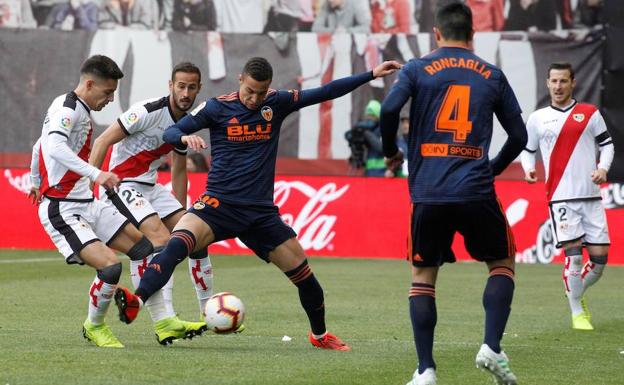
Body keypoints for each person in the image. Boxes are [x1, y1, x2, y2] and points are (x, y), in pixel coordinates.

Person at [113, 56, 401, 351]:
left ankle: (320, 335)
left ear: (268, 89)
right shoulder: (216, 107)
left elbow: (326, 91)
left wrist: (370, 74)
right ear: (240, 79)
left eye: (260, 93)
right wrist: (185, 137)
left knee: (306, 279)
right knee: (177, 243)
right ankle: (137, 300)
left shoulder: (277, 102)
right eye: (250, 91)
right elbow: (171, 132)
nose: (254, 99)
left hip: (260, 214)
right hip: (217, 204)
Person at [379, 3, 527, 385]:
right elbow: (520, 138)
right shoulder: (492, 74)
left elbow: (389, 109)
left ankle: (426, 370)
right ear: (472, 34)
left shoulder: (416, 68)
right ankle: (492, 345)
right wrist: (490, 168)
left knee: (423, 276)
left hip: (428, 192)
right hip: (476, 189)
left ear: (437, 33)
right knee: (502, 262)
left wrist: (391, 152)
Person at [28, 55, 158, 348]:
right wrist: (97, 174)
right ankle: (94, 326)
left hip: (86, 202)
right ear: (89, 83)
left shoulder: (75, 109)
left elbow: (39, 144)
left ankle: (145, 308)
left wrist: (35, 180)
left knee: (142, 247)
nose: (110, 100)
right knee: (111, 267)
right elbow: (54, 147)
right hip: (63, 208)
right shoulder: (68, 109)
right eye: (107, 92)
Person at [89, 62, 215, 345]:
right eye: (180, 86)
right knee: (159, 239)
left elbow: (179, 170)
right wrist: (89, 188)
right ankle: (166, 319)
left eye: (191, 87)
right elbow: (102, 142)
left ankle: (210, 310)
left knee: (195, 235)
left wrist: (184, 220)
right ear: (170, 86)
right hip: (121, 183)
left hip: (150, 185)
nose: (185, 92)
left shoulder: (187, 122)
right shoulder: (146, 111)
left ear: (198, 89)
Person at [520, 62, 614, 331]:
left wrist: (603, 168)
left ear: (573, 82)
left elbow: (607, 145)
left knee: (599, 260)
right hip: (560, 197)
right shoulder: (538, 118)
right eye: (554, 81)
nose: (558, 86)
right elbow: (528, 150)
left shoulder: (589, 113)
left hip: (591, 196)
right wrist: (528, 169)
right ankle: (577, 313)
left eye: (563, 81)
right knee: (573, 257)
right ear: (547, 83)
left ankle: (574, 292)